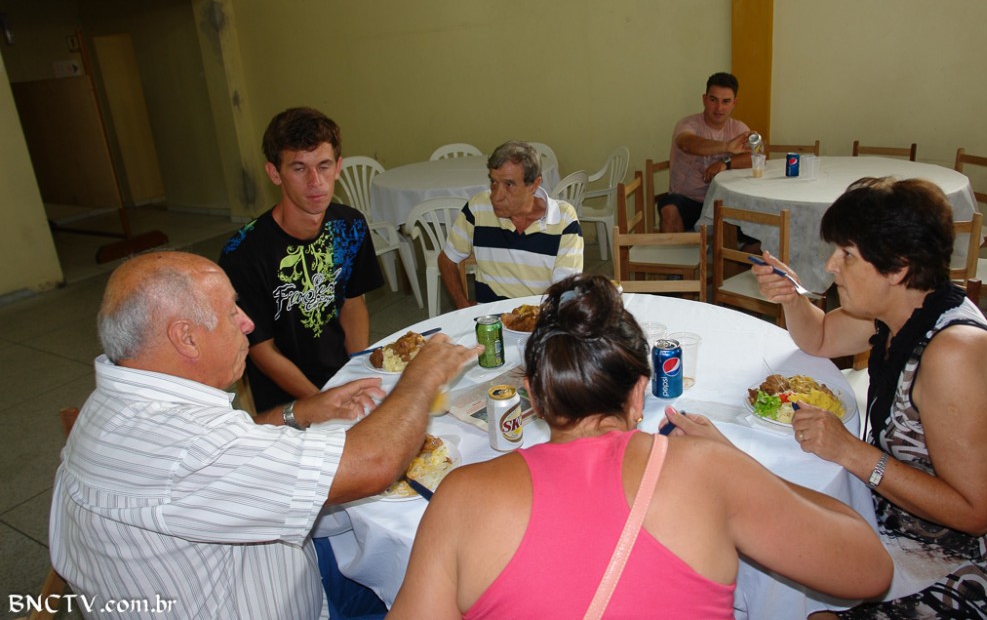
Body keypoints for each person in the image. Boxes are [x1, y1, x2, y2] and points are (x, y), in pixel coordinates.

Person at [388, 273, 892, 619]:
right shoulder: (709, 470)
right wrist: (740, 463)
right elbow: (870, 571)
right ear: (639, 393)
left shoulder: (459, 497)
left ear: (534, 398)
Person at [50, 251, 478, 620]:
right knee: (463, 581)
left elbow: (220, 453)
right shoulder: (187, 450)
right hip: (291, 604)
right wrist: (422, 376)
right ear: (185, 338)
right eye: (231, 312)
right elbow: (373, 464)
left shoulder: (119, 404)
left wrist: (297, 412)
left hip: (274, 569)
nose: (248, 323)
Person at [753, 177, 987, 619]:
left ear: (898, 268)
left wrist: (850, 451)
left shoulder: (953, 357)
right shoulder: (900, 311)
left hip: (971, 560)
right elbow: (820, 337)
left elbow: (975, 513)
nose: (831, 265)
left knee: (794, 591)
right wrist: (792, 298)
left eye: (847, 254)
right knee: (770, 544)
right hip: (900, 518)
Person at [220, 107, 383, 413]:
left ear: (338, 167)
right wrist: (323, 401)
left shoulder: (350, 226)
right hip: (284, 401)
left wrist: (357, 370)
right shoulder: (242, 253)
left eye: (323, 166)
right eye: (299, 168)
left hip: (340, 376)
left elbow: (352, 304)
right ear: (274, 173)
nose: (315, 181)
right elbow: (262, 350)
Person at [438, 140, 584, 308]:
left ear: (534, 185)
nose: (496, 196)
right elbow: (446, 259)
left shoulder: (563, 219)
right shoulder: (478, 207)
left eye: (509, 184)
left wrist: (535, 318)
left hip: (539, 316)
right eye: (494, 182)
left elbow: (565, 290)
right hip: (490, 318)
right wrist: (462, 305)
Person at [658, 71, 752, 234]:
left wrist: (725, 163)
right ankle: (679, 252)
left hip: (723, 202)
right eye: (713, 100)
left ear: (734, 103)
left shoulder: (738, 128)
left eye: (726, 101)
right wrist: (727, 146)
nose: (719, 108)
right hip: (689, 200)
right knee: (669, 209)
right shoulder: (687, 124)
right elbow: (687, 144)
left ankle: (726, 252)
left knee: (762, 224)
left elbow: (755, 158)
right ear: (704, 99)